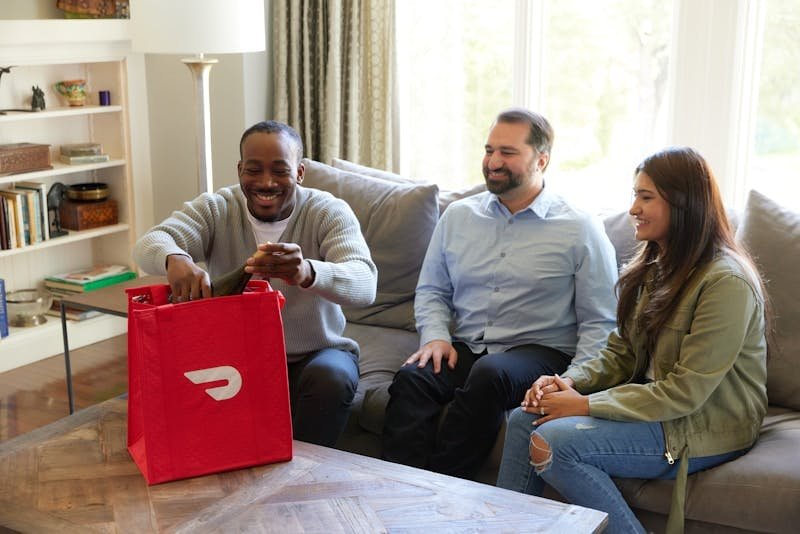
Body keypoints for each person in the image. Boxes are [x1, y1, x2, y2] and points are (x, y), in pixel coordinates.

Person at [496, 146, 770, 534]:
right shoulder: (656, 267)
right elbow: (620, 353)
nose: (633, 209)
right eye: (634, 196)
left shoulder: (726, 282)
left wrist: (585, 405)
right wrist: (569, 383)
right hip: (656, 407)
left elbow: (685, 392)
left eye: (646, 197)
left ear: (683, 204)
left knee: (555, 443)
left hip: (704, 422)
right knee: (525, 419)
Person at [381, 108, 619, 479]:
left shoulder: (579, 227)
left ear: (541, 159)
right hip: (467, 343)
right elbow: (432, 290)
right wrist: (437, 337)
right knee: (413, 378)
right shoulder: (458, 216)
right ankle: (398, 491)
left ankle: (443, 492)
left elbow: (600, 319)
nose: (492, 162)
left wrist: (574, 381)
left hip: (540, 350)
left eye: (507, 152)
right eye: (489, 150)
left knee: (491, 375)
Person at [133, 120, 378, 447]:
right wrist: (174, 258)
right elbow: (149, 243)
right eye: (254, 170)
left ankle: (303, 475)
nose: (266, 182)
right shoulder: (217, 208)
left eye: (280, 171)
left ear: (300, 172)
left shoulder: (328, 212)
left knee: (331, 379)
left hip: (317, 352)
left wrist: (306, 271)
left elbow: (365, 284)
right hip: (236, 354)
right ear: (239, 170)